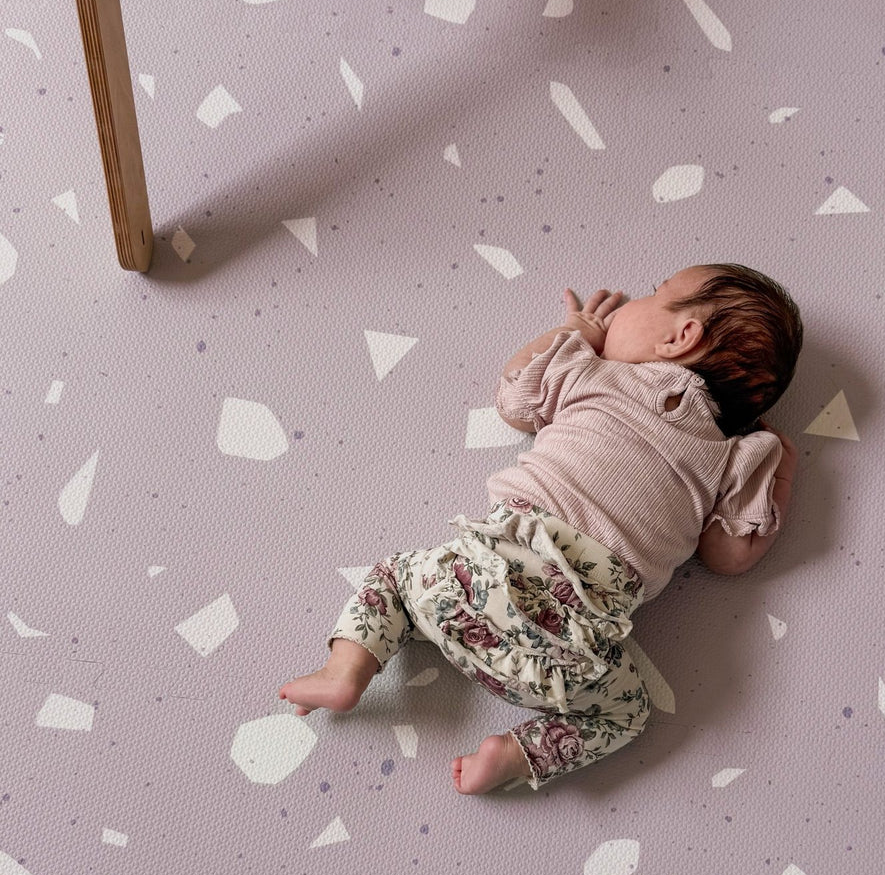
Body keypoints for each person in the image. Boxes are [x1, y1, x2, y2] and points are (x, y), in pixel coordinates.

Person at [279, 264, 802, 794]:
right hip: (564, 661)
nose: (629, 305)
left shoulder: (594, 374)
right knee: (626, 715)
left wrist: (576, 332)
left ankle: (347, 671)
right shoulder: (736, 457)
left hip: (465, 589)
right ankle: (513, 754)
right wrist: (781, 474)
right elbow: (728, 556)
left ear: (680, 337)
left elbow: (513, 399)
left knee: (394, 576)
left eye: (655, 294)